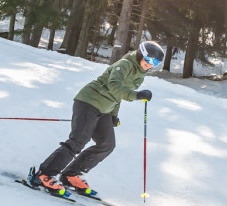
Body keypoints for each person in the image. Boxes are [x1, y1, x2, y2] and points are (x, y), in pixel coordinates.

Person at [27, 40, 165, 197]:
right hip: (89, 101)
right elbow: (114, 86)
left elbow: (116, 97)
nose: (150, 64)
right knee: (78, 141)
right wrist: (136, 95)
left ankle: (70, 175)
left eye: (155, 63)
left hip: (104, 109)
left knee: (107, 144)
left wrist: (113, 115)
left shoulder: (140, 73)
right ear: (141, 54)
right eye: (149, 60)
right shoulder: (125, 64)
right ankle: (44, 174)